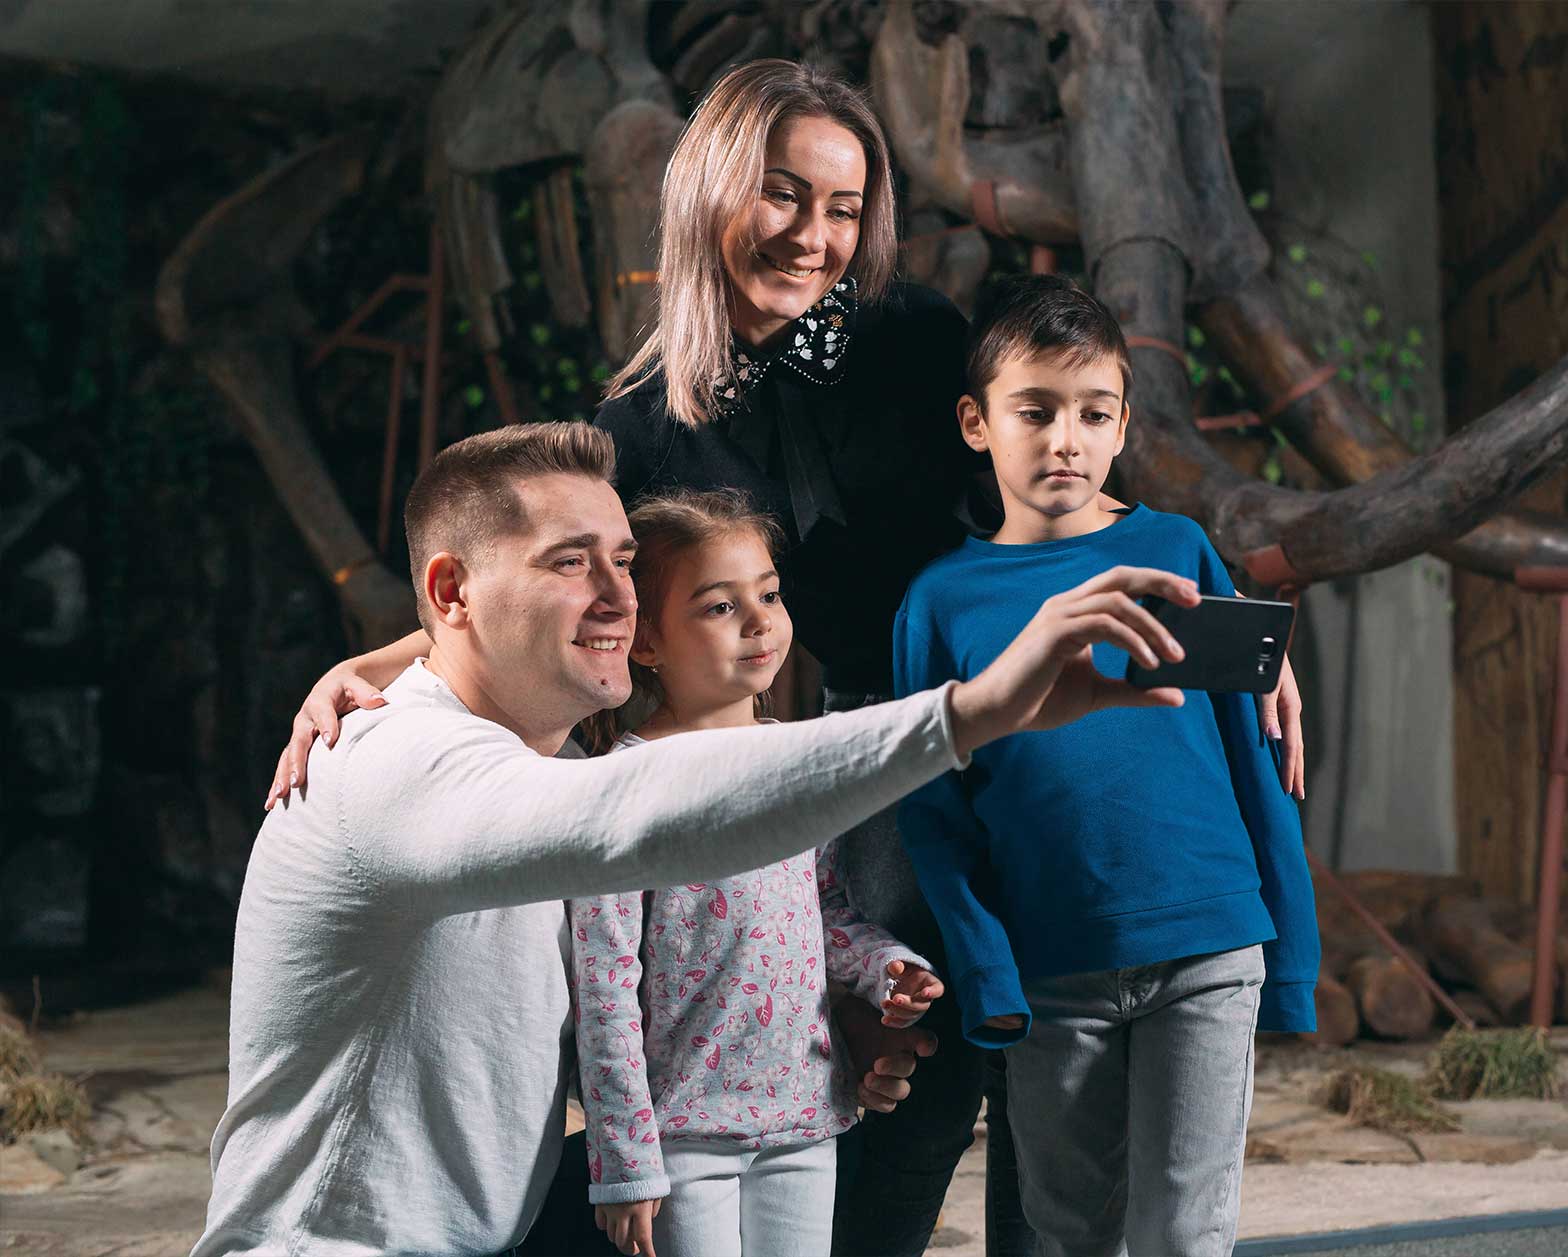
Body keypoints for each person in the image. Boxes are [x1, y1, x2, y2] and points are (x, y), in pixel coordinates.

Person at [264, 59, 1306, 1255]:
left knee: (1055, 1069)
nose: (816, 237)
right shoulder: (642, 424)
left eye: (844, 208)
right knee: (905, 1066)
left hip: (1040, 727)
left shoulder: (911, 337)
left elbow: (1059, 458)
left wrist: (1218, 623)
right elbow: (541, 576)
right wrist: (386, 659)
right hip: (861, 745)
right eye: (784, 196)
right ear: (709, 191)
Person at [197, 421, 1203, 1257]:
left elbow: (656, 952)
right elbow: (637, 816)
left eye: (623, 561)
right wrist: (971, 711)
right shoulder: (394, 762)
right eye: (567, 562)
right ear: (453, 592)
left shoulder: (531, 761)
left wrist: (821, 1014)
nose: (615, 594)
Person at [892, 276, 1321, 1256]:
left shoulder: (1177, 551)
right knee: (1062, 1236)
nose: (1063, 440)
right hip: (1049, 969)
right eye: (1033, 412)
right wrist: (986, 967)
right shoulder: (939, 600)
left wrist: (1290, 953)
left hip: (1208, 949)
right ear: (975, 422)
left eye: (1091, 414)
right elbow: (930, 810)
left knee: (1185, 1236)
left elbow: (1251, 761)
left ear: (1123, 424)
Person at [571, 489, 943, 1257]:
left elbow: (823, 911)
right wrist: (623, 1162)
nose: (759, 619)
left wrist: (885, 968)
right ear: (646, 641)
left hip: (807, 1114)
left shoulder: (796, 760)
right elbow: (601, 987)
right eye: (718, 606)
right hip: (681, 1135)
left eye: (769, 593)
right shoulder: (621, 783)